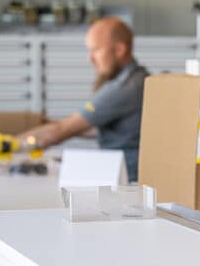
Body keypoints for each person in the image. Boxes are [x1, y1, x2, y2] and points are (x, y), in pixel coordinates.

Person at [17, 17, 149, 181]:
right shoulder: (136, 78)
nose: (90, 59)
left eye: (96, 50)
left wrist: (7, 145)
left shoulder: (125, 87)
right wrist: (52, 125)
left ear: (120, 50)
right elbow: (102, 128)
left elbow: (59, 132)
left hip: (126, 183)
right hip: (121, 176)